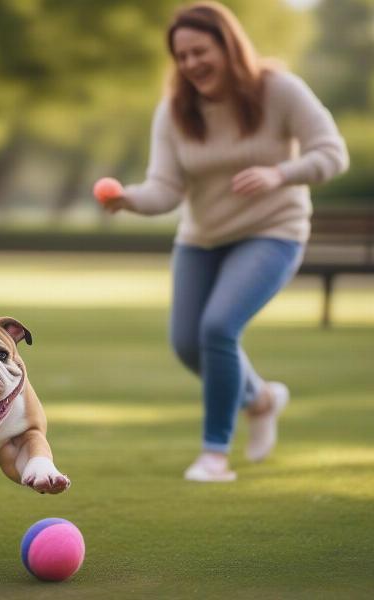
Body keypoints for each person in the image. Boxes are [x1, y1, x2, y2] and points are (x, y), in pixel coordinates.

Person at [97, 1, 348, 482]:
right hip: (202, 238)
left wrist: (281, 172)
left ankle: (214, 454)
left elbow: (332, 154)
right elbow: (166, 189)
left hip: (272, 232)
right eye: (182, 56)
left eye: (199, 51)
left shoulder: (279, 90)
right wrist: (129, 199)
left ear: (228, 45)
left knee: (218, 329)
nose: (191, 64)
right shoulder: (175, 111)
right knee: (188, 344)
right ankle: (262, 398)